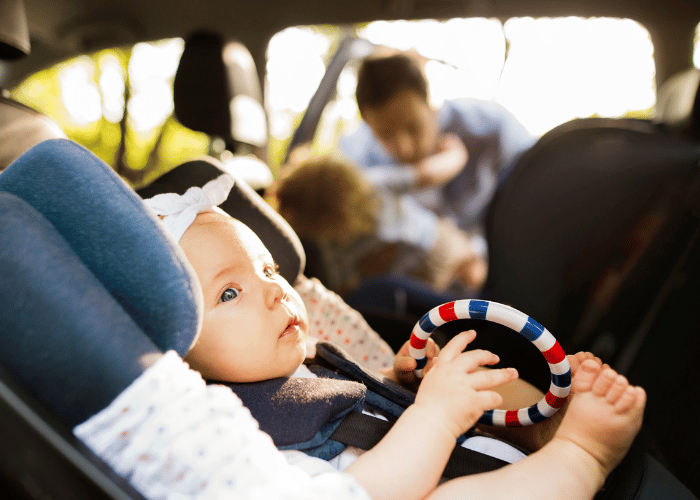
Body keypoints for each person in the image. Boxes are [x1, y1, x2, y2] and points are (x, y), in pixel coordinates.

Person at [133, 174, 646, 500]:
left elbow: (346, 402)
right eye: (229, 294)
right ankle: (583, 453)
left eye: (269, 269)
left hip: (478, 460)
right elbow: (361, 491)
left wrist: (396, 379)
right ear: (179, 352)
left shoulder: (308, 361)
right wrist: (437, 415)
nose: (275, 292)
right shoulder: (232, 436)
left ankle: (546, 425)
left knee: (475, 378)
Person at [339, 50, 538, 291]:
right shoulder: (358, 163)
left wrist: (480, 255)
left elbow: (536, 199)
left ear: (430, 101)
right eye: (385, 135)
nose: (403, 148)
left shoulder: (491, 128)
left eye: (413, 127)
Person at [271, 153, 487, 295]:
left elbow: (424, 174)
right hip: (415, 274)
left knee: (474, 274)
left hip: (436, 244)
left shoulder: (373, 184)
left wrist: (455, 155)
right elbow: (343, 286)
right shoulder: (332, 244)